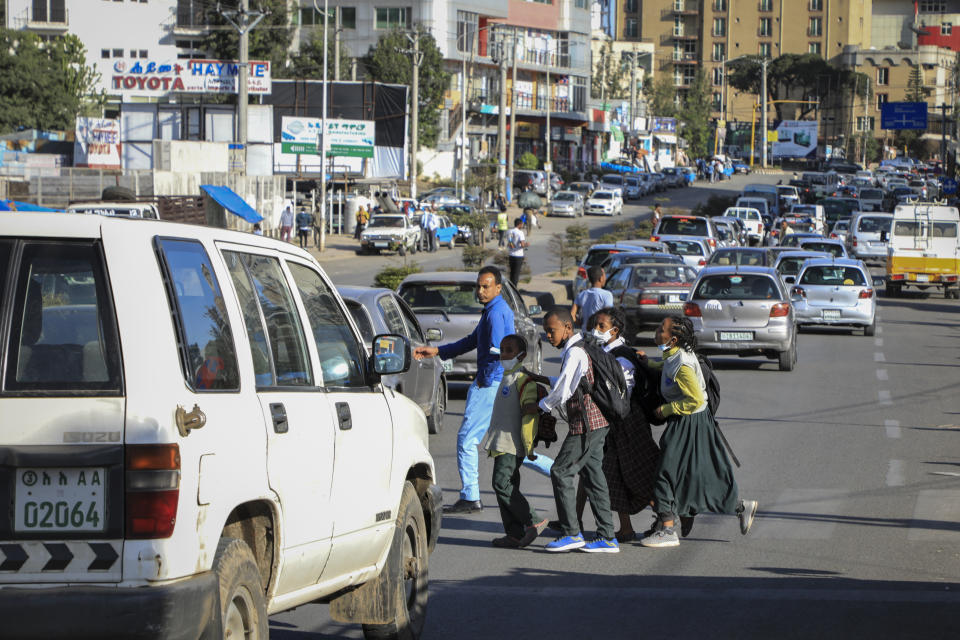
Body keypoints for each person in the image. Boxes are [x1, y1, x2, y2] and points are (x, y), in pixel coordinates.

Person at [638, 316, 758, 548]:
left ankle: (667, 529)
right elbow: (665, 368)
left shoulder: (682, 364)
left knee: (664, 473)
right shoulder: (676, 354)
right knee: (695, 475)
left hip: (689, 421)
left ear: (672, 338)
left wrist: (665, 409)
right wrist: (647, 363)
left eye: (660, 329)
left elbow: (693, 400)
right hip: (691, 421)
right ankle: (740, 507)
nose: (656, 332)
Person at [413, 267, 515, 514]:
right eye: (478, 286)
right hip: (497, 383)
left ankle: (470, 496)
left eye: (486, 286)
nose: (480, 291)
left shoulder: (496, 313)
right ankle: (559, 471)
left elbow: (498, 350)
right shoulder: (493, 310)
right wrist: (437, 351)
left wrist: (484, 381)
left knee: (467, 440)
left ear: (498, 288)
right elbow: (472, 341)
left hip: (490, 383)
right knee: (512, 444)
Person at [526, 307, 618, 553]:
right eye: (546, 331)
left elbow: (565, 390)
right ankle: (607, 536)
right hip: (596, 422)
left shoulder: (575, 352)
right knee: (592, 476)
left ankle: (571, 533)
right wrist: (541, 378)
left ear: (568, 327)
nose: (548, 336)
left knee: (561, 471)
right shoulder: (578, 349)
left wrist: (540, 407)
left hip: (586, 425)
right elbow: (572, 383)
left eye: (552, 330)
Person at [577, 308, 660, 542]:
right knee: (614, 475)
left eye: (602, 326)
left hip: (627, 422)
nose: (596, 330)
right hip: (613, 422)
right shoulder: (605, 351)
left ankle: (668, 518)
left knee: (640, 472)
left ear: (616, 330)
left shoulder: (622, 357)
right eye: (595, 325)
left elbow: (621, 393)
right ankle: (625, 527)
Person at [481, 334, 549, 548]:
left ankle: (533, 520)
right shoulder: (508, 376)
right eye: (502, 350)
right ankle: (514, 534)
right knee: (508, 486)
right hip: (500, 442)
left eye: (509, 350)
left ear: (522, 355)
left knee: (501, 483)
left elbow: (530, 410)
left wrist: (529, 444)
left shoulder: (522, 379)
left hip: (511, 444)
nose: (504, 354)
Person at [571, 266, 613, 334]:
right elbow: (609, 316)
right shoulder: (607, 295)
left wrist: (581, 323)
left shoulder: (581, 294)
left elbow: (572, 315)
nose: (606, 278)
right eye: (604, 276)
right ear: (601, 278)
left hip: (585, 334)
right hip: (600, 334)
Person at [506, 218, 528, 287]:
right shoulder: (520, 233)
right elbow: (522, 244)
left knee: (511, 273)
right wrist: (527, 244)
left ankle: (511, 288)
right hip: (518, 255)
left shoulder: (509, 231)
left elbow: (509, 242)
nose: (522, 226)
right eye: (522, 224)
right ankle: (514, 288)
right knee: (516, 273)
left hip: (511, 254)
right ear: (519, 224)